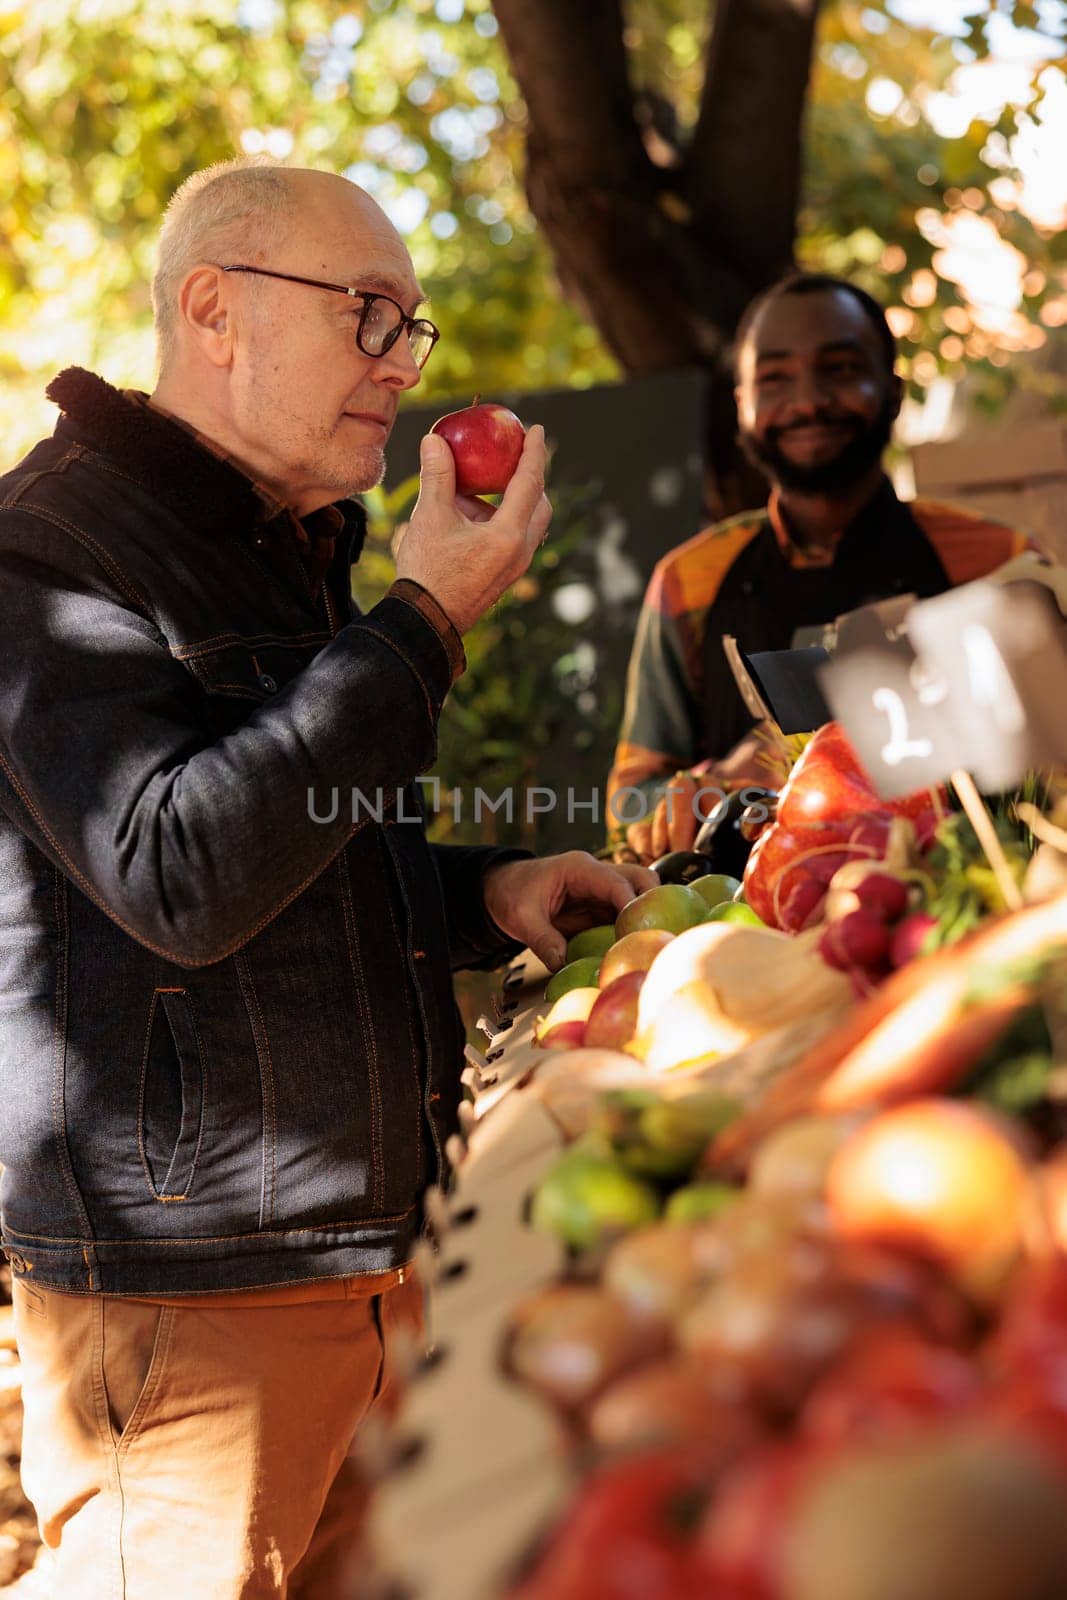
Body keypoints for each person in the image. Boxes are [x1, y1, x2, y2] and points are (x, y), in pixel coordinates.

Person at [0, 161, 655, 1599]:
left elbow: (289, 856)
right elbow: (173, 870)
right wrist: (423, 621)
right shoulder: (48, 549)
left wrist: (476, 894)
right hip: (197, 1297)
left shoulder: (272, 547)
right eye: (367, 314)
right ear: (214, 310)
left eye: (409, 328)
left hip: (358, 1258)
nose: (401, 366)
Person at [608, 272, 1038, 864]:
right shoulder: (689, 581)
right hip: (745, 929)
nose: (807, 402)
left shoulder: (999, 562)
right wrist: (707, 785)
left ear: (891, 391)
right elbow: (629, 804)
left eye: (838, 369)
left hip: (955, 904)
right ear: (743, 406)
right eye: (775, 377)